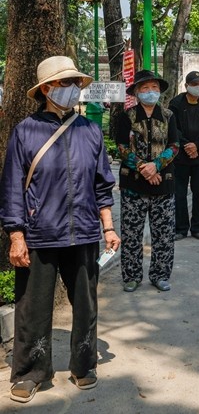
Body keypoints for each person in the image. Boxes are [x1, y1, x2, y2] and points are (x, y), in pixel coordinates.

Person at [0, 56, 120, 402]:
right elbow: (11, 188)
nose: (71, 89)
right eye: (64, 83)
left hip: (83, 232)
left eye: (73, 83)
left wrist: (108, 228)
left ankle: (84, 365)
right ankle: (29, 372)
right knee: (32, 307)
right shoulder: (26, 130)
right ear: (47, 89)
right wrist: (16, 235)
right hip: (39, 233)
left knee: (85, 303)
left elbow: (102, 185)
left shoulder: (90, 129)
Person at [114, 70, 178, 293]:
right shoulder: (127, 116)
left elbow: (174, 146)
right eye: (145, 88)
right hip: (133, 185)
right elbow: (121, 147)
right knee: (132, 233)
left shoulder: (169, 116)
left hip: (164, 183)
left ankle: (160, 274)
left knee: (164, 234)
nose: (150, 92)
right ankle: (131, 276)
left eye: (154, 88)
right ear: (137, 92)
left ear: (159, 91)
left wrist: (156, 166)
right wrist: (144, 168)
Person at [169, 71, 199, 241]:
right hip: (181, 156)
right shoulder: (175, 103)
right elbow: (173, 128)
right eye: (195, 84)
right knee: (179, 193)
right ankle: (180, 228)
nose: (198, 87)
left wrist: (197, 145)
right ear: (187, 85)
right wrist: (187, 145)